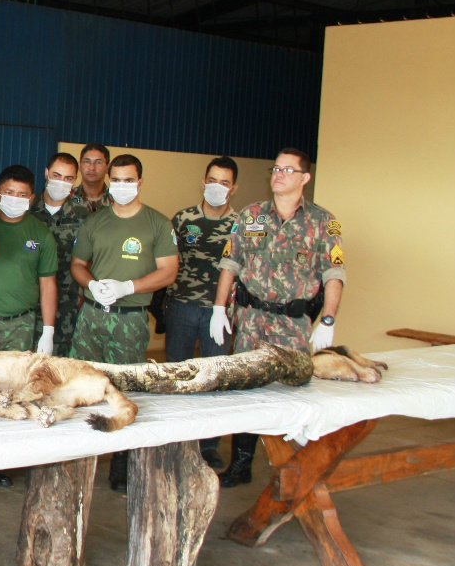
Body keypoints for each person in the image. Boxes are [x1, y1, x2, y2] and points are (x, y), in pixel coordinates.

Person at [211, 147, 344, 488]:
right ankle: (240, 466)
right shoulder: (251, 215)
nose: (279, 174)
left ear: (305, 178)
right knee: (245, 392)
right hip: (251, 320)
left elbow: (333, 274)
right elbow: (231, 264)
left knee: (293, 393)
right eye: (276, 168)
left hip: (292, 325)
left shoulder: (323, 222)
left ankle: (295, 469)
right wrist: (217, 307)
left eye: (288, 170)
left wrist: (327, 319)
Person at [70, 153, 178, 492]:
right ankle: (75, 456)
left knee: (124, 389)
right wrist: (91, 284)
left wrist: (128, 287)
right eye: (115, 180)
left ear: (140, 182)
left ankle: (121, 463)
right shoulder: (95, 221)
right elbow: (77, 264)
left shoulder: (157, 224)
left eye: (128, 180)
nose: (121, 186)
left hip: (129, 320)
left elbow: (169, 271)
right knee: (78, 383)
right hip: (90, 317)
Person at [0, 165, 58, 487]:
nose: (14, 199)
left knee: (12, 393)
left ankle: (3, 461)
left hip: (19, 325)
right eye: (9, 192)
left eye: (22, 195)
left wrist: (47, 330)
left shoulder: (40, 234)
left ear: (32, 198)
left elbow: (48, 284)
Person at [165, 156, 240, 470]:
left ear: (233, 188)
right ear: (203, 181)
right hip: (181, 306)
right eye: (212, 180)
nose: (216, 187)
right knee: (176, 374)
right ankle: (173, 438)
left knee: (215, 378)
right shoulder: (183, 218)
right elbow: (167, 260)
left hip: (218, 313)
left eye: (224, 182)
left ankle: (209, 445)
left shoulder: (242, 224)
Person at [29, 151, 89, 357]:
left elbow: (89, 261)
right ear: (46, 173)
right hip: (27, 307)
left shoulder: (84, 215)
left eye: (68, 178)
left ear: (75, 180)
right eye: (56, 175)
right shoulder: (26, 209)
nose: (61, 182)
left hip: (67, 308)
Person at [76, 142, 114, 212]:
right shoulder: (67, 199)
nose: (92, 168)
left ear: (108, 168)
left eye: (98, 162)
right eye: (87, 161)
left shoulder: (116, 201)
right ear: (79, 166)